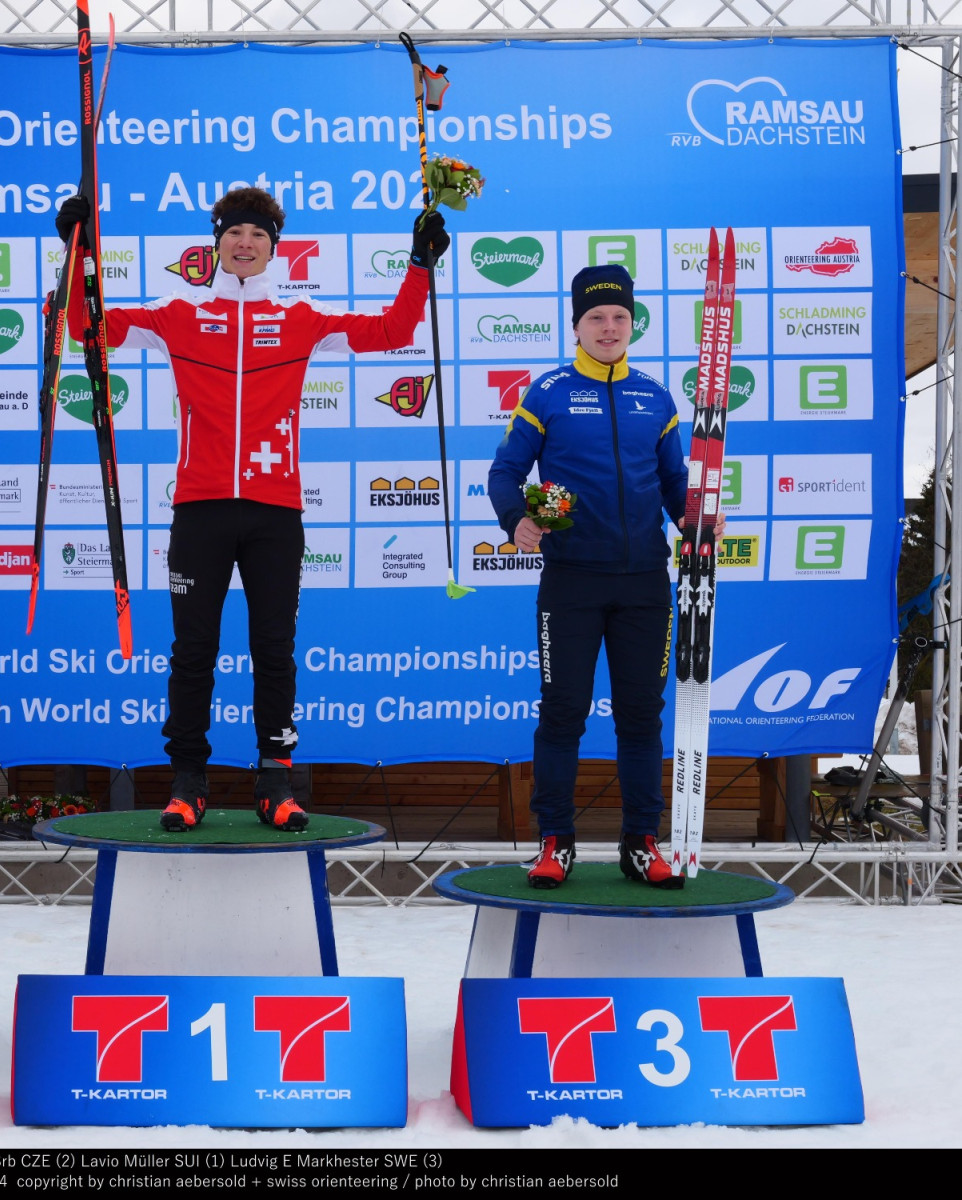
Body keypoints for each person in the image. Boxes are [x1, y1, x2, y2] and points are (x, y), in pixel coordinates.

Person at [55, 188, 447, 832]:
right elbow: (86, 327)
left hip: (275, 512)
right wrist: (77, 257)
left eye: (258, 235)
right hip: (201, 508)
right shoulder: (180, 314)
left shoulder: (301, 317)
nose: (245, 243)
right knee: (193, 651)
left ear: (273, 248)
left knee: (274, 648)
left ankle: (275, 781)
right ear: (216, 243)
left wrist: (420, 266)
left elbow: (392, 332)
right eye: (234, 233)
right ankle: (187, 782)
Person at [488, 263, 720, 889]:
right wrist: (517, 520)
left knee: (641, 715)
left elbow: (673, 481)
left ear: (632, 322)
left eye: (619, 316)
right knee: (563, 712)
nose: (609, 327)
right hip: (571, 580)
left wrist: (694, 518)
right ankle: (554, 842)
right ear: (577, 326)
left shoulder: (656, 396)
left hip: (644, 581)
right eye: (596, 317)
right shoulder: (548, 393)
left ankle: (641, 842)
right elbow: (504, 472)